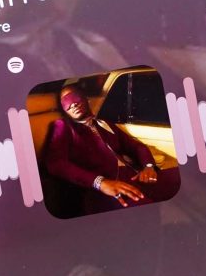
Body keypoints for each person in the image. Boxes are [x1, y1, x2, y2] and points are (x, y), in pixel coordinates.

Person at [42, 84, 178, 215]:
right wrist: (99, 182)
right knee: (147, 210)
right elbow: (56, 163)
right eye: (66, 103)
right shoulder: (63, 126)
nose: (73, 105)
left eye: (75, 98)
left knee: (176, 178)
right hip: (104, 190)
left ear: (86, 99)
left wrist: (148, 166)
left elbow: (136, 146)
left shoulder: (105, 124)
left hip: (135, 176)